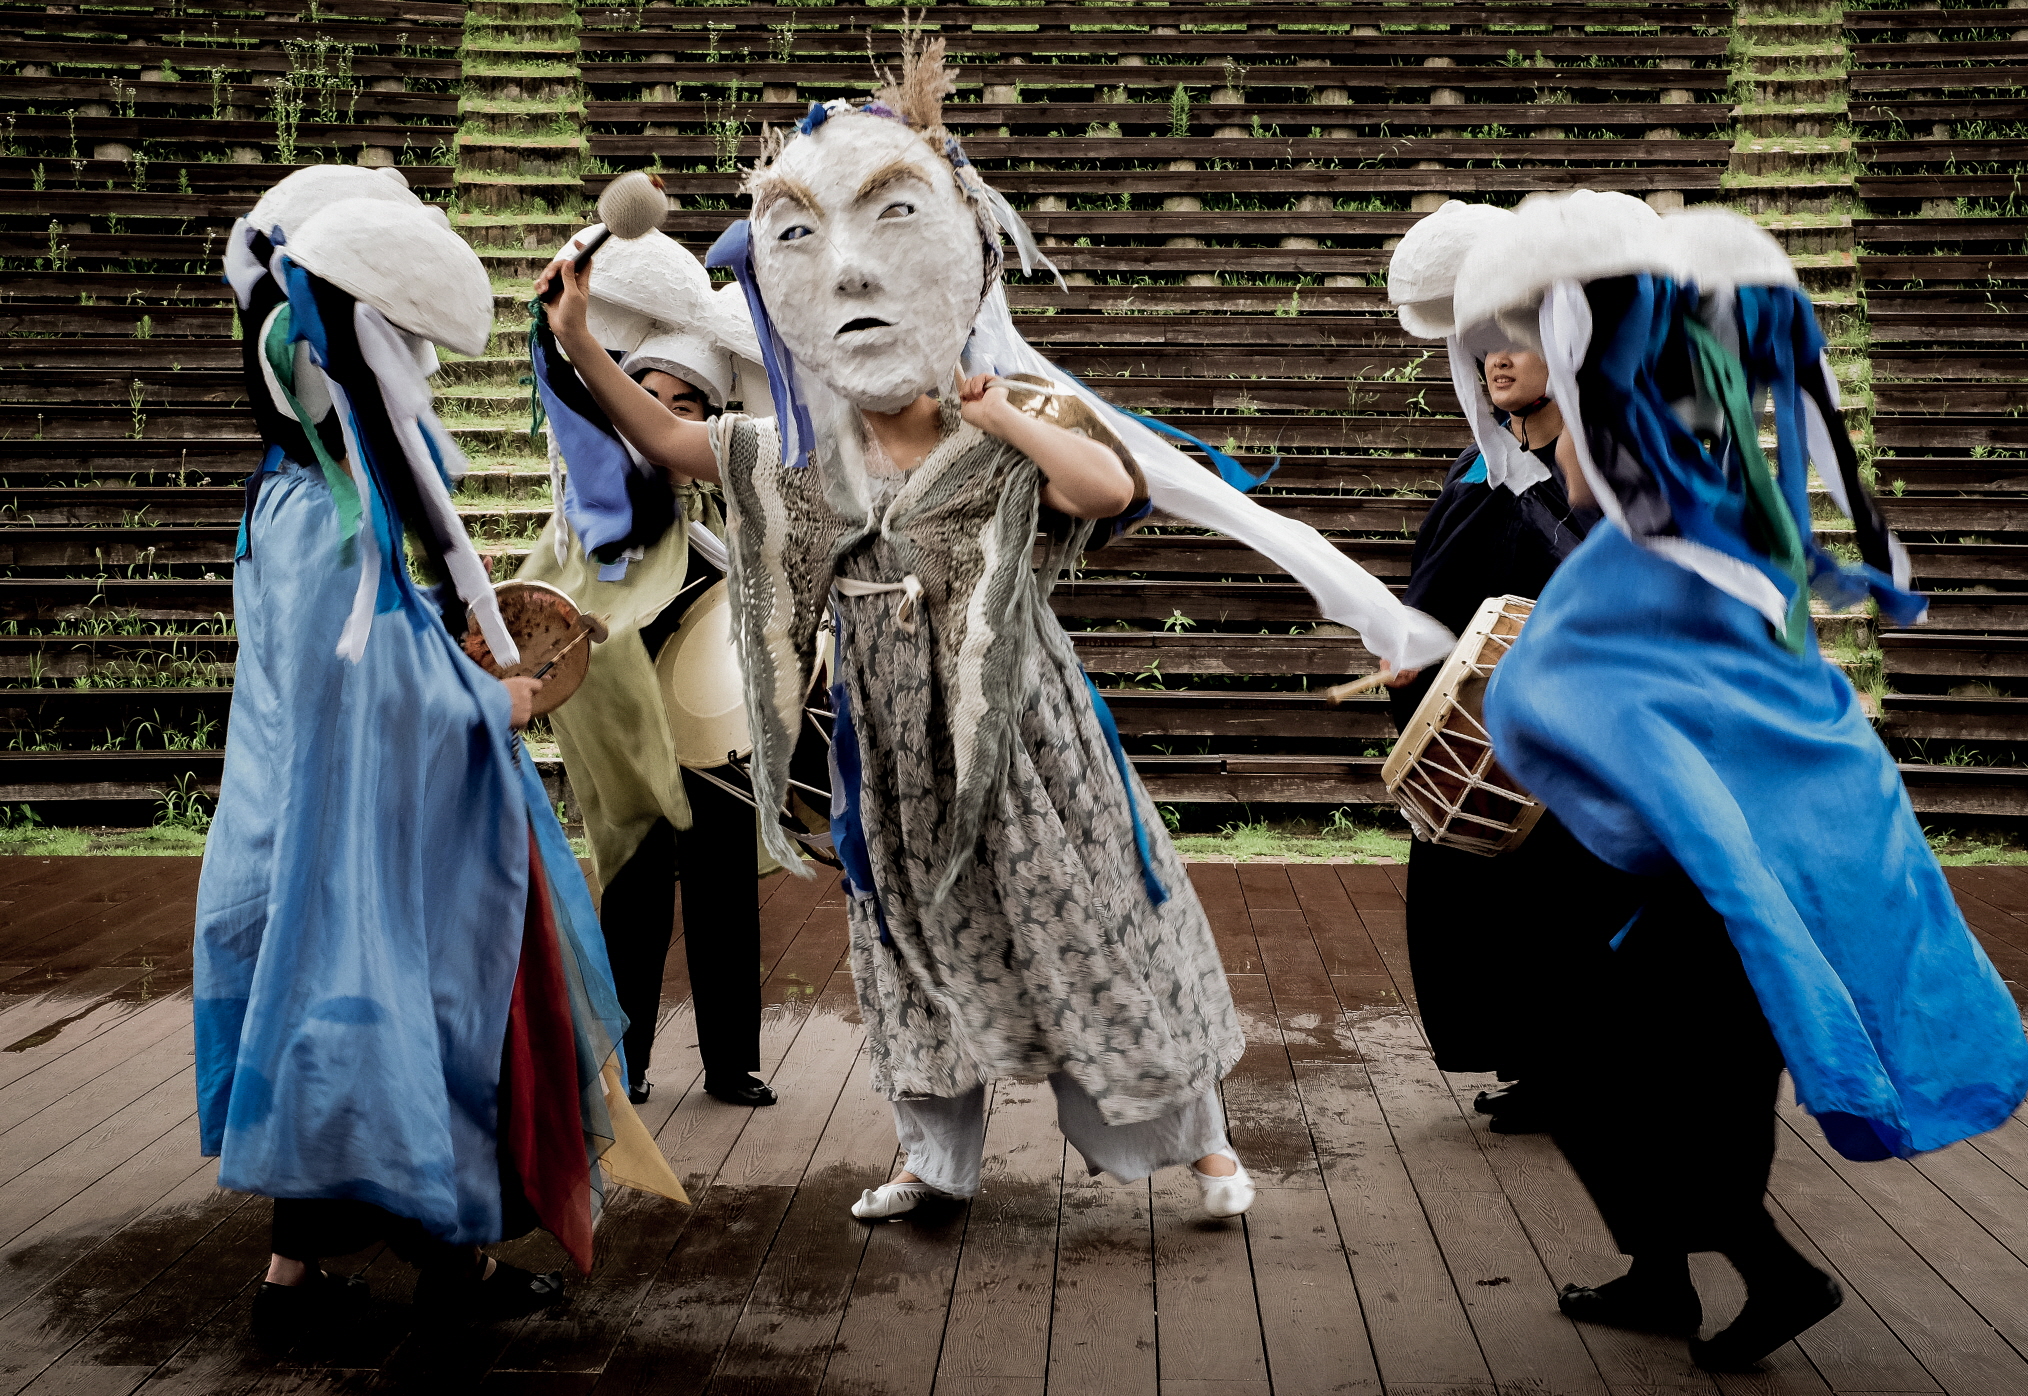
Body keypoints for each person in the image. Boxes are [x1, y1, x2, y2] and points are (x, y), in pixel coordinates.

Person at [532, 34, 1457, 1223]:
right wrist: (577, 341)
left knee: (1093, 935)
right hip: (892, 756)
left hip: (1024, 744)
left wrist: (999, 411)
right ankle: (934, 1159)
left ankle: (1204, 1147)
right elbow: (669, 441)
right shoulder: (802, 460)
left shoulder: (1001, 424)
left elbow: (1106, 489)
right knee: (913, 953)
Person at [1457, 192, 2028, 1370]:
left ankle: (1769, 1274)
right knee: (1649, 1064)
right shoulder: (1711, 529)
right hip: (1760, 858)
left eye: (1571, 430)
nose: (1552, 454)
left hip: (1742, 873)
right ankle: (1670, 1276)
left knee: (1626, 1072)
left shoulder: (1662, 541)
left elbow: (1562, 697)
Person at [197, 165, 682, 1353]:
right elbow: (371, 686)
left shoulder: (291, 498)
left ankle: (304, 1283)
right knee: (442, 1027)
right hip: (370, 830)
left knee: (353, 1033)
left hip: (323, 819)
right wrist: (493, 694)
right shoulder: (328, 522)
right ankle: (433, 1268)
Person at [1379, 202, 1645, 1131]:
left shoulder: (1605, 469)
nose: (1497, 357)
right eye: (1483, 342)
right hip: (1489, 745)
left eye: (1518, 339)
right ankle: (1539, 1064)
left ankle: (1589, 1072)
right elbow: (1437, 595)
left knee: (1573, 901)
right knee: (1483, 904)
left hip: (1582, 743)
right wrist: (1411, 653)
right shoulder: (1474, 475)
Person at [515, 229, 781, 1110]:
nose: (662, 411)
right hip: (628, 728)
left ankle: (733, 1063)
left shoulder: (734, 504)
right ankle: (622, 1061)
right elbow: (547, 613)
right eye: (648, 394)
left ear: (709, 416)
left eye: (684, 402)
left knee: (722, 888)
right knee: (630, 886)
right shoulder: (595, 511)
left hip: (713, 724)